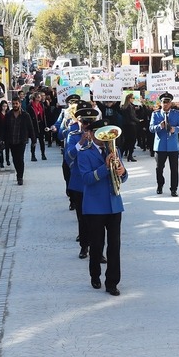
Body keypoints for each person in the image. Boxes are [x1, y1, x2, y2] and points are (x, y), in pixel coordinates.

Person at [78, 119, 128, 296]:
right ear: (91, 134)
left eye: (105, 132)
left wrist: (122, 172)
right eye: (99, 132)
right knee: (97, 245)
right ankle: (95, 274)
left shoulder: (115, 150)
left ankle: (112, 282)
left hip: (114, 204)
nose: (103, 136)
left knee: (114, 246)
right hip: (94, 206)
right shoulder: (84, 154)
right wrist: (106, 168)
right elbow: (87, 179)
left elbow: (123, 176)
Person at [65, 108, 99, 259]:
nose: (87, 125)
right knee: (82, 217)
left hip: (96, 181)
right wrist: (81, 142)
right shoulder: (73, 136)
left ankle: (97, 250)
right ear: (78, 122)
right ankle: (84, 247)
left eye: (90, 122)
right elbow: (69, 156)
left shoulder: (98, 135)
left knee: (97, 218)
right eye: (84, 122)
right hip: (79, 181)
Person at [149, 92, 179, 196]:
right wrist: (159, 127)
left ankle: (174, 189)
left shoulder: (177, 114)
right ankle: (160, 185)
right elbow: (151, 128)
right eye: (164, 102)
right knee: (159, 168)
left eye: (167, 102)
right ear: (161, 103)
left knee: (174, 169)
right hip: (160, 146)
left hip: (173, 145)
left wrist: (175, 129)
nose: (165, 104)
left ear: (171, 103)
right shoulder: (155, 114)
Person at [1, 97, 37, 185]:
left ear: (20, 104)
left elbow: (31, 128)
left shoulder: (25, 115)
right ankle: (18, 172)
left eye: (16, 103)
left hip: (21, 140)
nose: (15, 105)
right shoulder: (8, 114)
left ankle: (20, 176)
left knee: (20, 158)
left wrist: (33, 140)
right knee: (14, 158)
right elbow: (4, 128)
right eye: (13, 104)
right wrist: (1, 139)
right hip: (11, 140)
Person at [26, 92, 47, 161]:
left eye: (39, 97)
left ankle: (43, 154)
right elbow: (28, 116)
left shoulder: (41, 105)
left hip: (41, 124)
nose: (39, 98)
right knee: (34, 141)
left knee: (42, 140)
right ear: (34, 98)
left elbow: (44, 115)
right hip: (33, 125)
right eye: (37, 97)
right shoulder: (30, 106)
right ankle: (33, 155)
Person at [120, 93, 140, 162]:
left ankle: (121, 153)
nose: (133, 99)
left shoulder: (124, 107)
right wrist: (138, 120)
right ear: (129, 99)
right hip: (131, 125)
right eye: (132, 98)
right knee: (132, 140)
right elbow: (132, 116)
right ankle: (130, 155)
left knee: (127, 140)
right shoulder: (129, 107)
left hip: (125, 125)